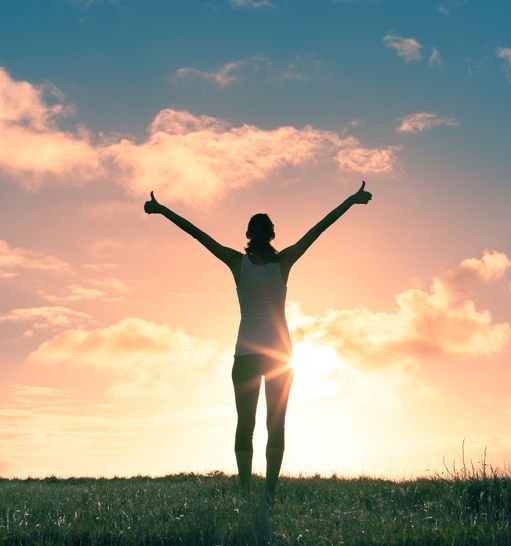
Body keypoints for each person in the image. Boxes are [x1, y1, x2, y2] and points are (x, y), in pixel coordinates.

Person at [144, 181, 373, 498]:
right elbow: (319, 228)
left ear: (249, 235)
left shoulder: (238, 262)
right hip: (280, 356)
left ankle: (244, 490)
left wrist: (161, 209)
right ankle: (269, 493)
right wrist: (351, 199)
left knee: (245, 425)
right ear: (272, 235)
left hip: (247, 356)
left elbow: (197, 234)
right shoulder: (285, 261)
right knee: (275, 425)